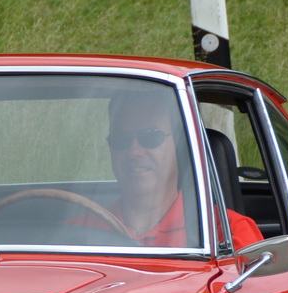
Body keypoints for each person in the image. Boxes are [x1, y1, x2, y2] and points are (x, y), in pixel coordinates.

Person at [106, 89, 264, 249]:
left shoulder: (227, 232)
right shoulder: (83, 229)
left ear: (180, 144)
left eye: (151, 137)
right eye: (120, 139)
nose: (134, 152)